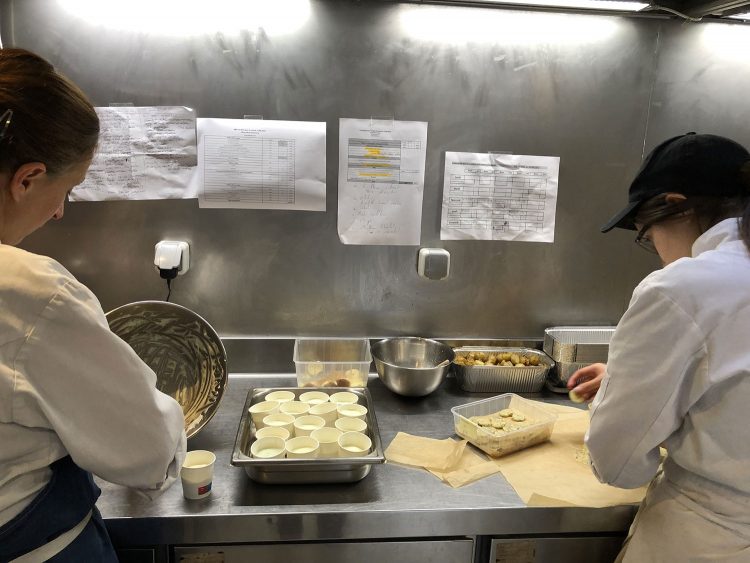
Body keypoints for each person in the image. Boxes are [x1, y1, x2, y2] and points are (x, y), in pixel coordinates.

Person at [0, 48, 186, 561]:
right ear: (28, 178)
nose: (59, 212)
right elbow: (145, 452)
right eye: (68, 190)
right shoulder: (29, 292)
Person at [567, 132, 750, 561]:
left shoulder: (681, 288)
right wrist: (625, 378)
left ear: (674, 203)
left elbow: (619, 463)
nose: (658, 253)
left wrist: (616, 398)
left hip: (709, 538)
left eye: (646, 236)